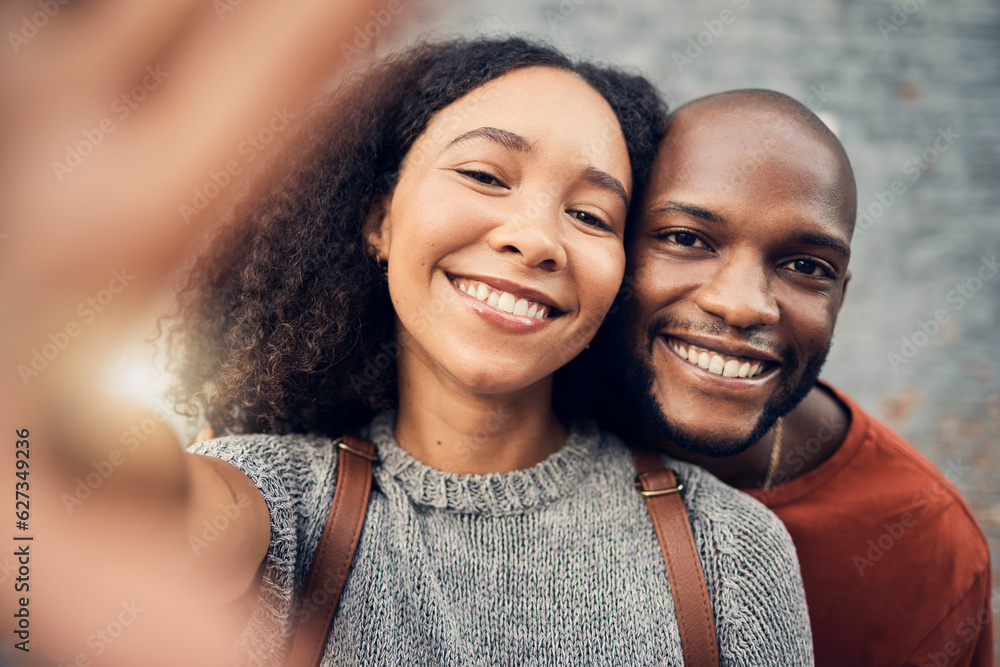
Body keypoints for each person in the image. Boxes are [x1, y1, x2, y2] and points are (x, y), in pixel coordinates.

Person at [168, 41, 814, 665]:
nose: (535, 239)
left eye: (591, 215)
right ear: (378, 219)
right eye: (483, 175)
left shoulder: (728, 551)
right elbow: (137, 503)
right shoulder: (270, 495)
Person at [600, 89, 993, 666]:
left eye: (807, 267)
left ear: (840, 296)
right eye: (686, 239)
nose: (742, 305)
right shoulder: (523, 416)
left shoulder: (921, 542)